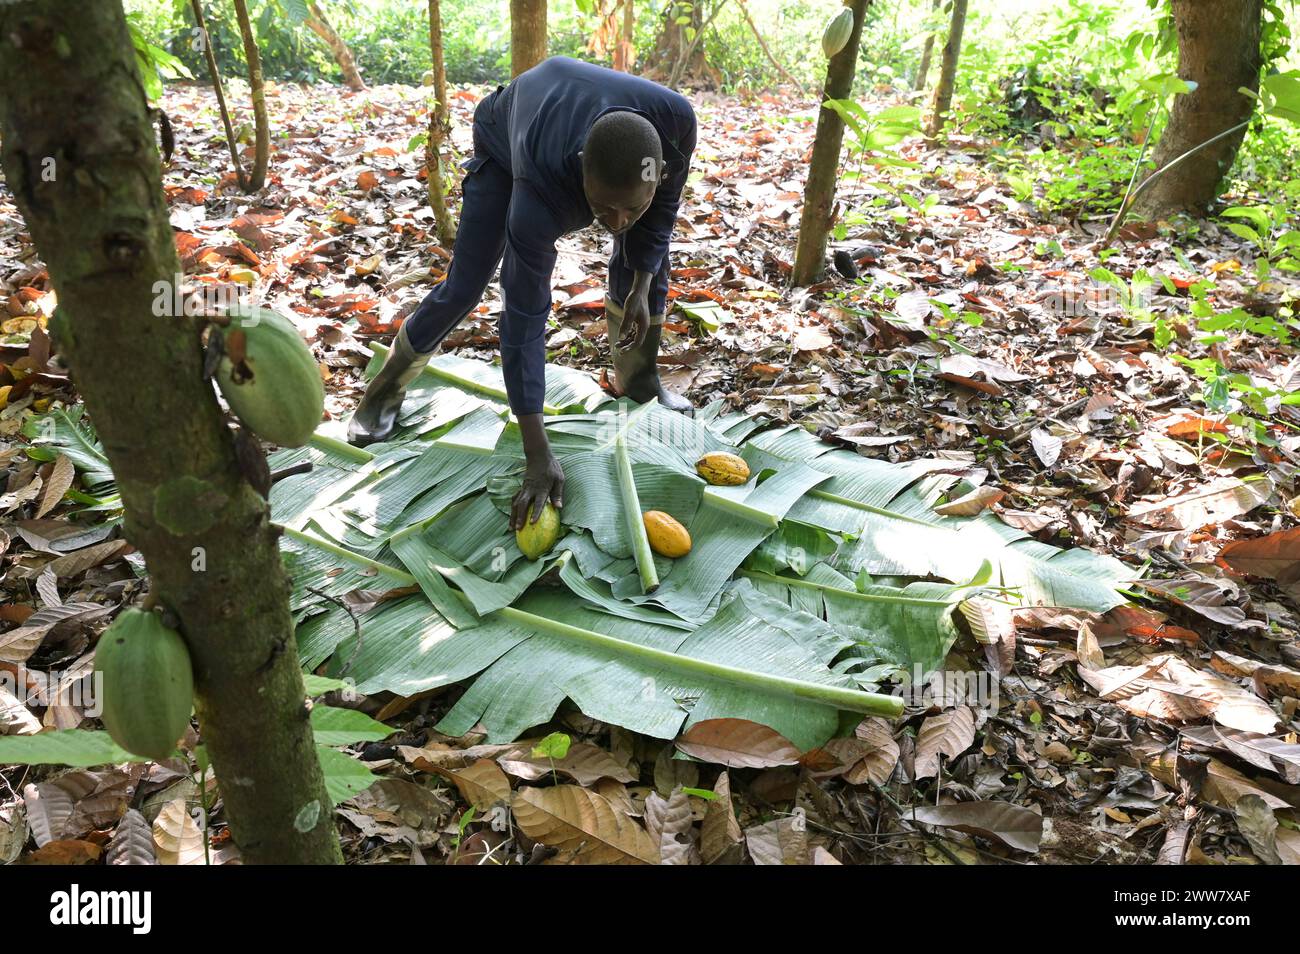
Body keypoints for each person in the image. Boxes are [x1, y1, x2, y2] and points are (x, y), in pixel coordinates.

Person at [347, 56, 696, 531]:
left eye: (629, 205)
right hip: (506, 133)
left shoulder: (676, 124)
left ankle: (639, 380)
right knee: (466, 285)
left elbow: (661, 211)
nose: (614, 223)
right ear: (580, 175)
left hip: (577, 122)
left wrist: (641, 283)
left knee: (645, 260)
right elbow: (523, 314)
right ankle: (384, 388)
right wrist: (537, 452)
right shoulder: (541, 190)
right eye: (600, 207)